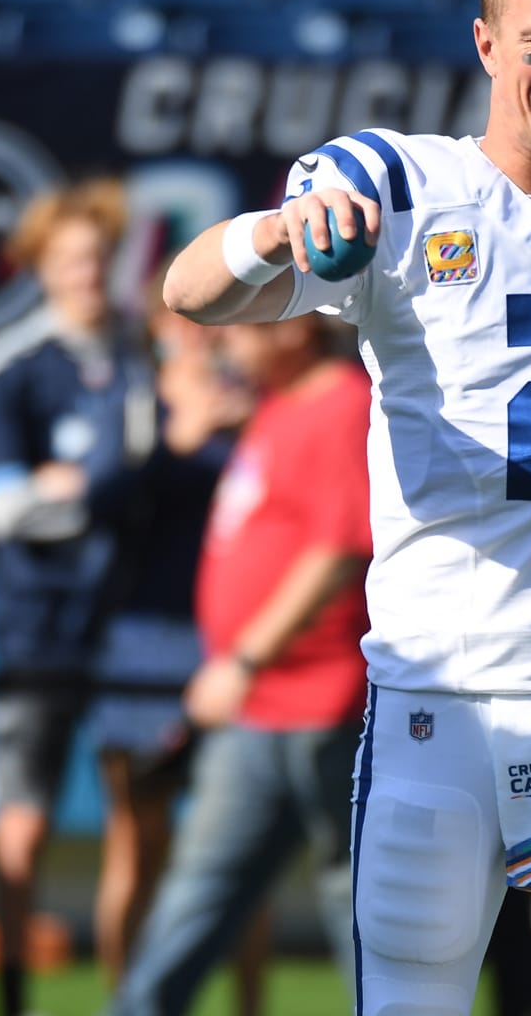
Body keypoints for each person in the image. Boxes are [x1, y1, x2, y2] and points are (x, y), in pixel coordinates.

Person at [162, 0, 531, 1015]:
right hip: (435, 694)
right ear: (487, 43)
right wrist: (277, 230)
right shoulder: (396, 184)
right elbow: (191, 290)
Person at [106, 312, 372, 1016]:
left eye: (242, 325)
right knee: (198, 895)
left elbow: (340, 546)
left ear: (294, 330)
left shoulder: (342, 403)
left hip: (322, 703)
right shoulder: (281, 406)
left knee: (363, 906)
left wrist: (244, 659)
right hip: (260, 706)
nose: (225, 339)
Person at [0, 177, 157, 1016]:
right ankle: (11, 993)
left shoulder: (143, 349)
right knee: (25, 820)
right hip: (36, 624)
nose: (88, 273)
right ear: (40, 265)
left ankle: (131, 994)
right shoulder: (14, 362)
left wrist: (71, 484)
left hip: (133, 625)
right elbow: (4, 509)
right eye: (72, 258)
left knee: (138, 823)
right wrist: (109, 483)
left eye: (99, 257)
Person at [88, 266, 250, 985]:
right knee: (136, 839)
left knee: (248, 845)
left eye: (203, 316)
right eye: (175, 319)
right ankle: (124, 998)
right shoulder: (133, 406)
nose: (190, 334)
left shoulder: (258, 408)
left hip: (238, 641)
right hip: (145, 636)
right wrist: (176, 441)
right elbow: (99, 505)